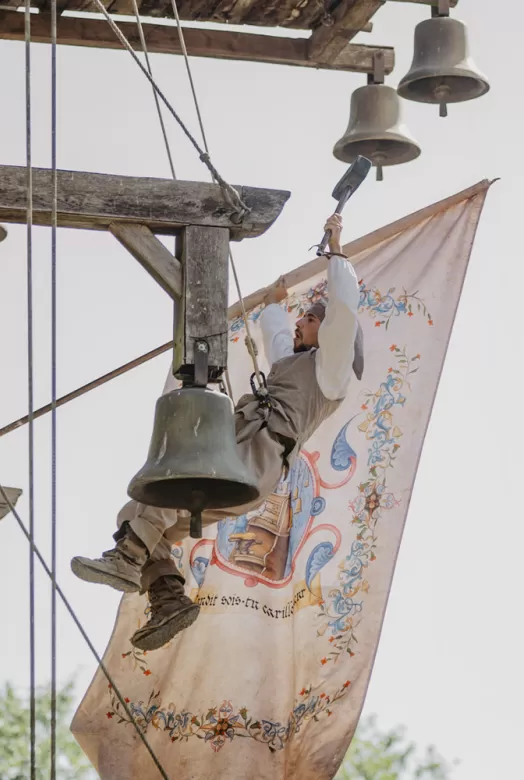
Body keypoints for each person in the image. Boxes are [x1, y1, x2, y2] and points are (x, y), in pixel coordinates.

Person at [71, 214, 363, 651]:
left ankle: (128, 559)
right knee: (136, 512)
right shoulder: (294, 366)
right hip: (240, 455)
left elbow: (344, 313)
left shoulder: (331, 373)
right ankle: (168, 598)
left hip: (257, 457)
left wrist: (337, 251)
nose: (303, 321)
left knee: (170, 493)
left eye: (310, 318)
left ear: (330, 334)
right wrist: (274, 304)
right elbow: (279, 338)